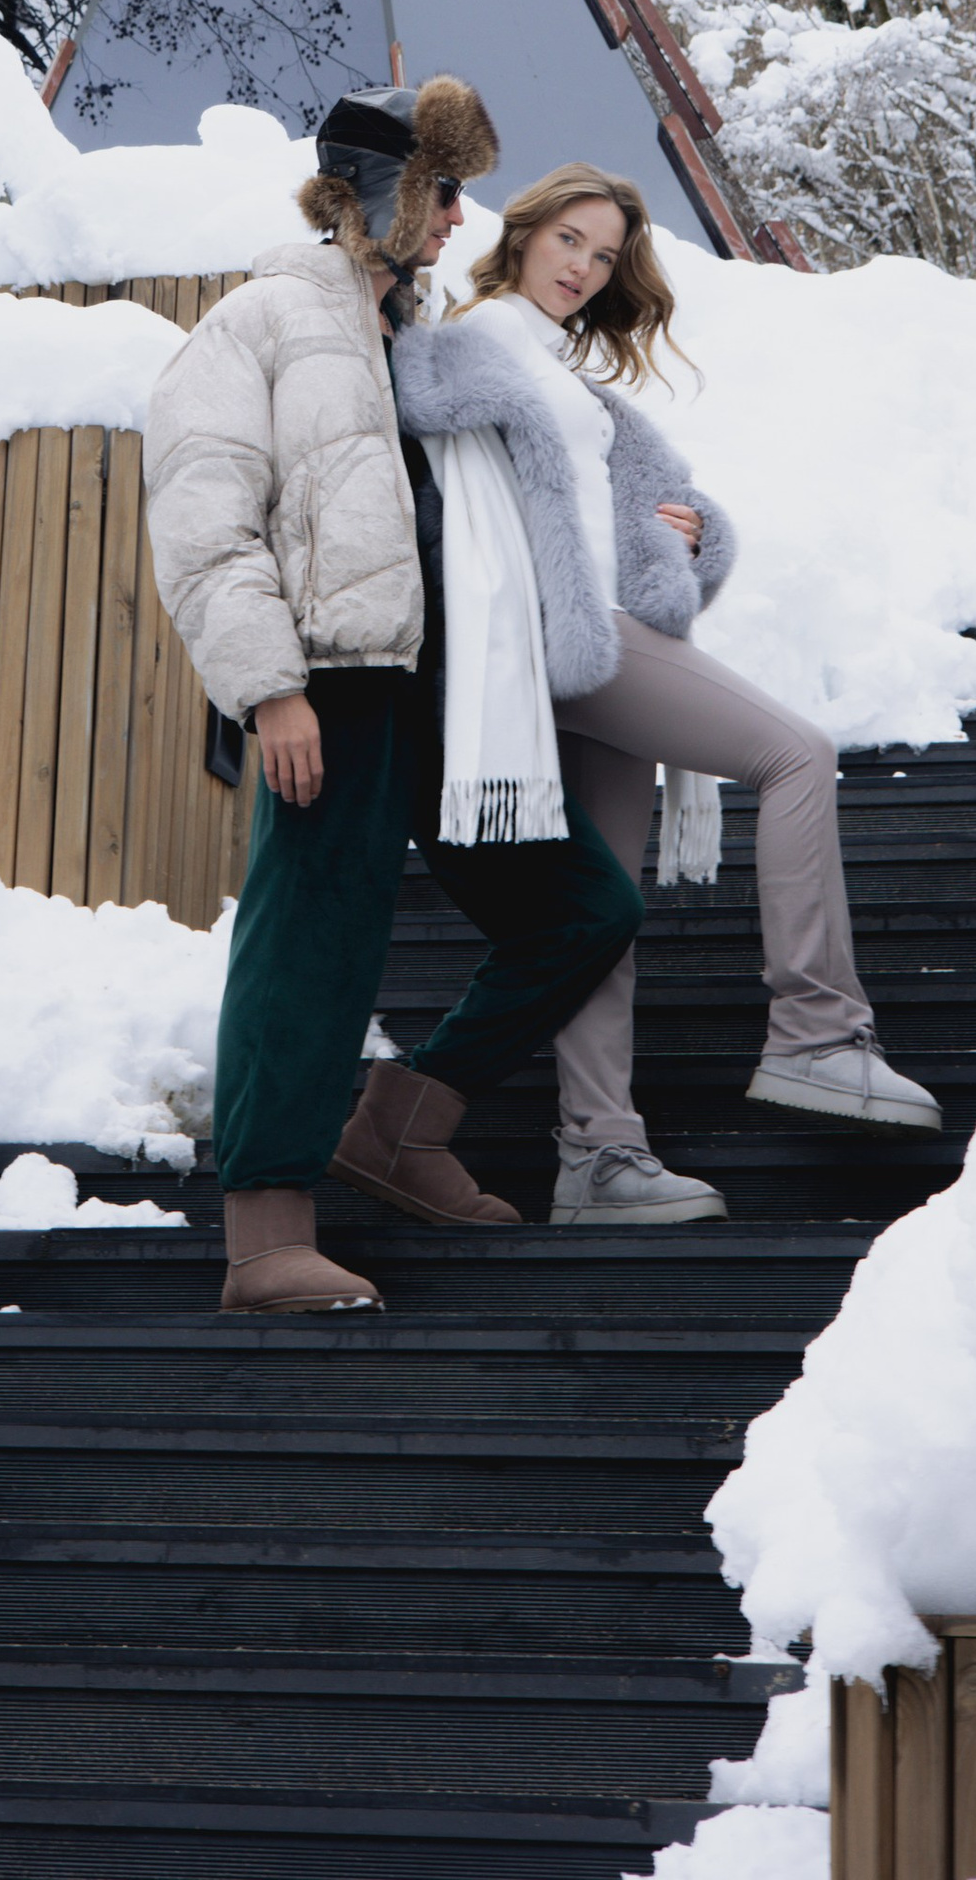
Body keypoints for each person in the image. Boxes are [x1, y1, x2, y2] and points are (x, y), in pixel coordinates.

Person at [144, 79, 647, 1314]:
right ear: (372, 193)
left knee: (582, 904)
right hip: (329, 686)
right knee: (309, 943)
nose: (455, 219)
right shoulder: (262, 322)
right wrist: (270, 693)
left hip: (450, 695)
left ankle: (403, 1126)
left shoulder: (411, 343)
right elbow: (203, 521)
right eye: (439, 193)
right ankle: (265, 1235)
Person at [393, 163, 939, 1233]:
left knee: (605, 917)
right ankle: (818, 1034)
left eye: (603, 259)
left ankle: (597, 1154)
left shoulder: (556, 369)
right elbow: (467, 473)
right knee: (794, 753)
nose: (584, 271)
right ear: (524, 232)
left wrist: (675, 531)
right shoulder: (473, 349)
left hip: (596, 634)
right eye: (569, 242)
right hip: (573, 641)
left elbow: (586, 500)